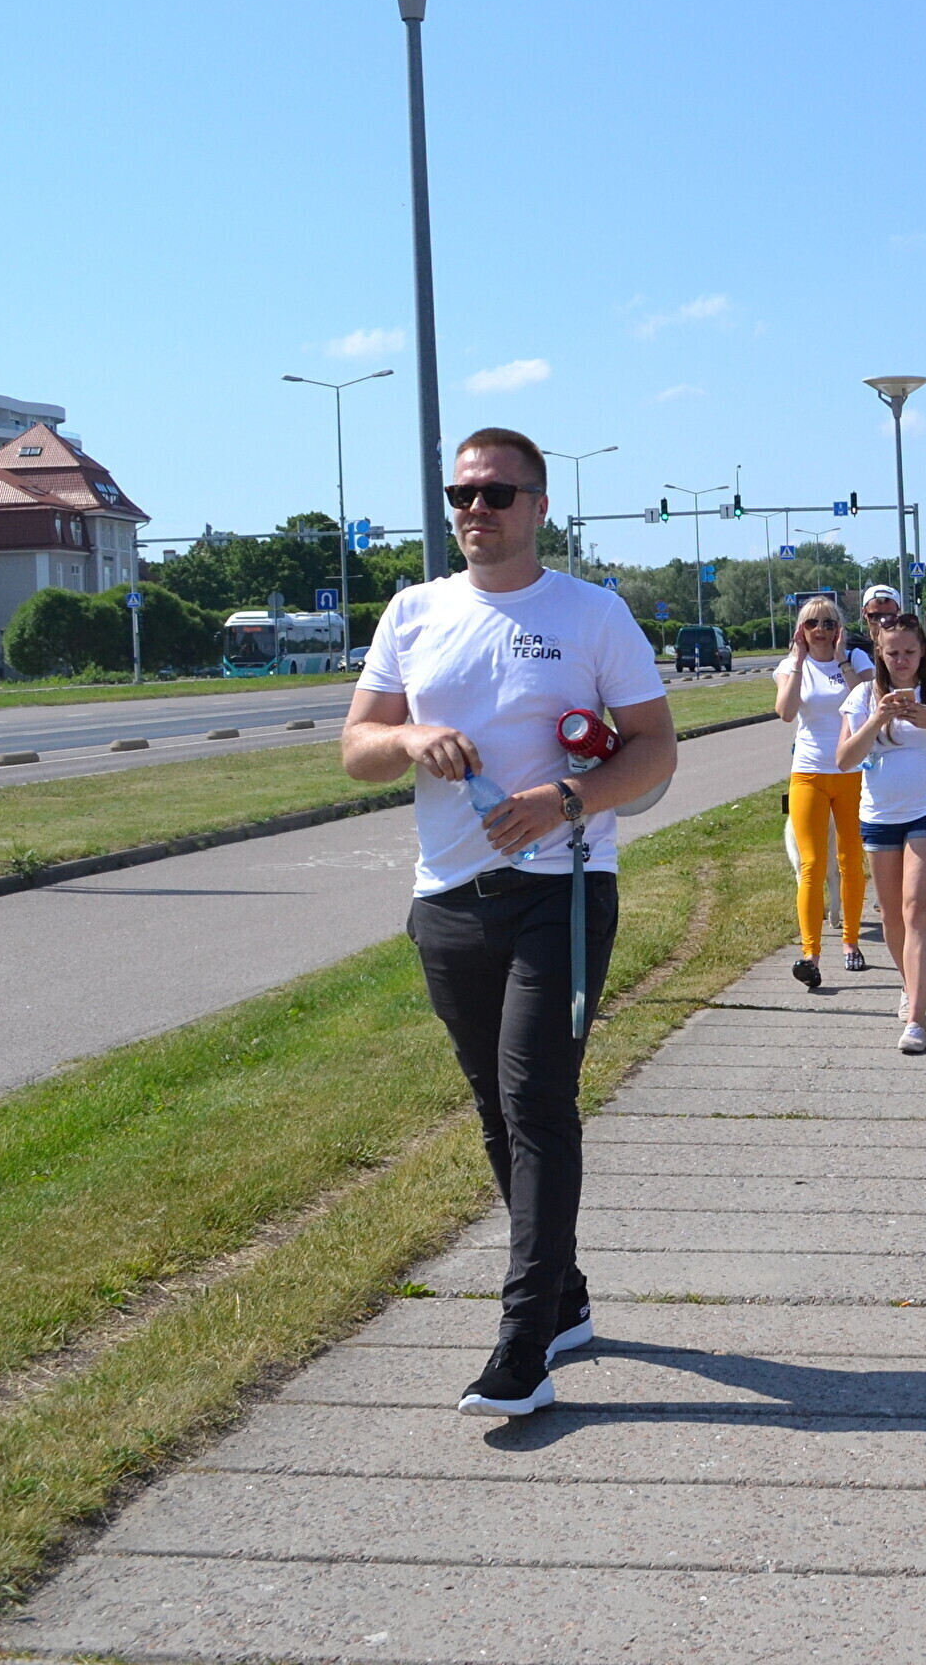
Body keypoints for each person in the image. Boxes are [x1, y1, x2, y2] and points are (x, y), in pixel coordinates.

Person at [342, 427, 680, 1419]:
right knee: (496, 1107)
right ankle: (564, 1295)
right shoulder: (414, 612)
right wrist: (409, 736)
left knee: (537, 1101)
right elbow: (356, 747)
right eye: (462, 495)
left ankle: (523, 1344)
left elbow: (655, 749)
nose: (475, 510)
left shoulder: (592, 613)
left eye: (495, 493)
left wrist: (563, 800)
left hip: (560, 886)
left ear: (539, 505)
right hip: (449, 896)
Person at [835, 612, 926, 1056]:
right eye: (892, 652)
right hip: (879, 814)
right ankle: (908, 981)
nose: (902, 660)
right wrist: (876, 720)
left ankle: (917, 1019)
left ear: (923, 651)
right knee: (892, 915)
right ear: (879, 652)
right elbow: (844, 759)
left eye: (910, 651)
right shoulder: (862, 696)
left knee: (916, 909)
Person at [774, 597, 873, 985]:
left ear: (839, 629)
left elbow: (867, 702)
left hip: (851, 772)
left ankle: (851, 942)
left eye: (829, 623)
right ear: (801, 629)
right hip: (808, 773)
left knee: (850, 860)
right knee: (811, 864)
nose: (821, 630)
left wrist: (843, 660)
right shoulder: (791, 665)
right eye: (812, 623)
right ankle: (810, 954)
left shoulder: (856, 660)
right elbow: (785, 712)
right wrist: (799, 661)